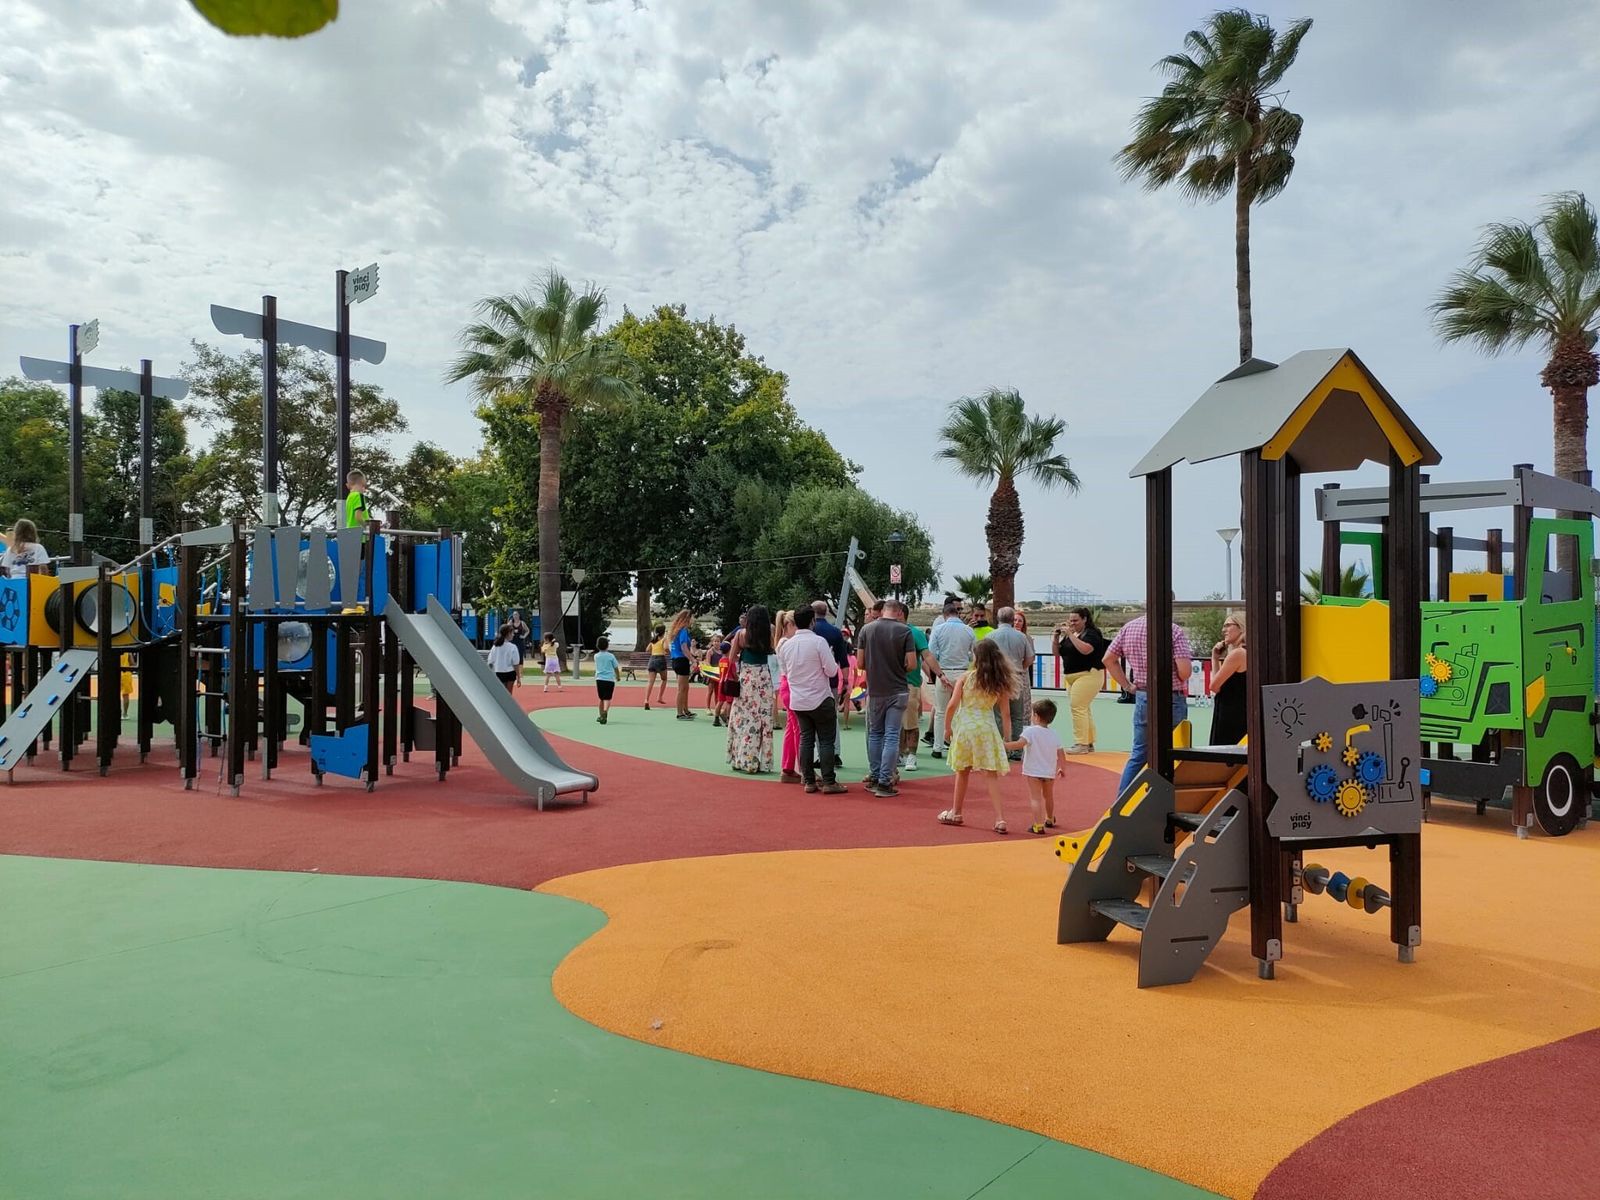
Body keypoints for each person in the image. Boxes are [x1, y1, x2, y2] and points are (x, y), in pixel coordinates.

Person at [1103, 612, 1195, 799]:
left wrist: (1128, 686)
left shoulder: (1129, 627)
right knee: (1174, 751)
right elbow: (1184, 672)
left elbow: (1108, 659)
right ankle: (1169, 799)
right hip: (1171, 696)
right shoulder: (1174, 630)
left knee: (1139, 753)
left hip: (1144, 695)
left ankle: (1122, 801)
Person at [937, 638, 1015, 834]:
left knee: (962, 771)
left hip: (966, 726)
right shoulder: (999, 681)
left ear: (976, 657)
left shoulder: (966, 678)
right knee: (990, 774)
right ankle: (1000, 818)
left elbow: (952, 704)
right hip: (987, 727)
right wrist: (1007, 737)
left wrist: (947, 728)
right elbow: (1005, 713)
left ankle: (956, 811)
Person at [777, 606, 845, 793]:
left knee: (805, 739)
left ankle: (809, 781)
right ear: (812, 621)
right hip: (820, 697)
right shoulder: (818, 642)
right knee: (825, 740)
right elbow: (831, 670)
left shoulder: (786, 646)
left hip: (798, 699)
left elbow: (785, 672)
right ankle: (829, 781)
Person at [855, 598, 916, 797]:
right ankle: (884, 781)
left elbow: (861, 663)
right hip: (897, 688)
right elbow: (912, 664)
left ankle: (874, 776)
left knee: (875, 733)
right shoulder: (904, 631)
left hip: (876, 689)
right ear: (899, 613)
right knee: (891, 735)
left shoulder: (867, 630)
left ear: (883, 611)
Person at [1005, 698, 1067, 835]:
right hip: (1049, 772)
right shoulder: (1054, 734)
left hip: (1033, 771)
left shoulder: (1030, 732)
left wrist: (1004, 746)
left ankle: (1038, 825)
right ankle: (1049, 818)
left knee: (1035, 798)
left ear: (1036, 716)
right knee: (1048, 796)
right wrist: (1062, 767)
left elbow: (1019, 744)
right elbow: (1061, 752)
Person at [725, 605, 776, 774]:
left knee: (744, 719)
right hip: (763, 677)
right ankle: (763, 761)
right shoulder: (769, 632)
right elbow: (772, 650)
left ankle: (742, 758)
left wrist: (741, 655)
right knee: (763, 719)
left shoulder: (742, 634)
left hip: (747, 679)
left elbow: (731, 657)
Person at [1053, 607, 1108, 753]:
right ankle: (1088, 742)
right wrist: (1055, 638)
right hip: (1072, 676)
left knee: (1077, 707)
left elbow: (1086, 650)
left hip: (1089, 674)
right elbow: (1057, 653)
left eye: (1076, 620)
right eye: (1070, 620)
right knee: (1083, 708)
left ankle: (1081, 743)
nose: (1072, 623)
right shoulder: (1071, 635)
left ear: (1085, 619)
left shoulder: (1092, 633)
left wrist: (1071, 635)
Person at [984, 607, 1035, 760]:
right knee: (1017, 715)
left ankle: (1001, 748)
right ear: (1012, 619)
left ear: (997, 618)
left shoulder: (990, 636)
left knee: (998, 715)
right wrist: (1020, 668)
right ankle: (1017, 751)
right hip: (1017, 677)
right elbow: (1030, 658)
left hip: (998, 678)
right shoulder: (1021, 637)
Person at [927, 598, 976, 759]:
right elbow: (973, 654)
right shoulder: (969, 631)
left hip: (944, 673)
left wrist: (937, 671)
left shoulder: (939, 629)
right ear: (958, 614)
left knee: (941, 711)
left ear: (945, 614)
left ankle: (938, 747)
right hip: (963, 673)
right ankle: (957, 746)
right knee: (961, 711)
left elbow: (931, 653)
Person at [898, 617, 938, 773]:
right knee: (896, 723)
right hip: (891, 683)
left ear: (900, 614)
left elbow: (926, 656)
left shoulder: (915, 633)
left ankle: (911, 755)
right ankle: (900, 753)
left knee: (910, 721)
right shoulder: (888, 631)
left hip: (910, 683)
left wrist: (937, 675)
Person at [1208, 612, 1248, 745]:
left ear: (1241, 627)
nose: (1223, 630)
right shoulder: (1248, 652)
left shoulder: (1237, 654)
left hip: (1229, 715)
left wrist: (1214, 659)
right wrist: (1215, 658)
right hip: (1241, 712)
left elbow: (1214, 686)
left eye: (1228, 625)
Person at [773, 610, 802, 783]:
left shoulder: (783, 642)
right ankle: (801, 767)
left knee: (792, 727)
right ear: (789, 625)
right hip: (790, 685)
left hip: (787, 684)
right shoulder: (786, 643)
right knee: (798, 727)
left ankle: (788, 767)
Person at [668, 609, 696, 719]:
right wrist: (693, 659)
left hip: (676, 660)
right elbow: (684, 648)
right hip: (681, 660)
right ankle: (680, 712)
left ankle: (686, 709)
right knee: (681, 688)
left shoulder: (676, 630)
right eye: (692, 618)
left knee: (685, 687)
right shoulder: (683, 631)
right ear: (688, 618)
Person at [592, 635, 620, 724]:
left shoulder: (596, 656)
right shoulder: (611, 656)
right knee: (607, 698)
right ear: (607, 645)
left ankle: (600, 715)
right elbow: (616, 667)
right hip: (609, 680)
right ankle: (605, 712)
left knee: (601, 698)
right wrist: (618, 676)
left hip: (599, 679)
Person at [487, 629, 521, 693]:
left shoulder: (495, 646)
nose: (513, 635)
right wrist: (518, 676)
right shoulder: (513, 647)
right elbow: (516, 663)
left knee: (500, 693)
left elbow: (490, 661)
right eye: (512, 633)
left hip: (498, 672)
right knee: (509, 693)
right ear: (508, 634)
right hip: (510, 672)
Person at [644, 623, 669, 709]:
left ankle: (646, 699)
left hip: (652, 659)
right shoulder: (664, 639)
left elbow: (647, 649)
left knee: (650, 681)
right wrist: (667, 652)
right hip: (660, 659)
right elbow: (666, 648)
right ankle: (660, 697)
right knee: (664, 679)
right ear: (663, 632)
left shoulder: (653, 640)